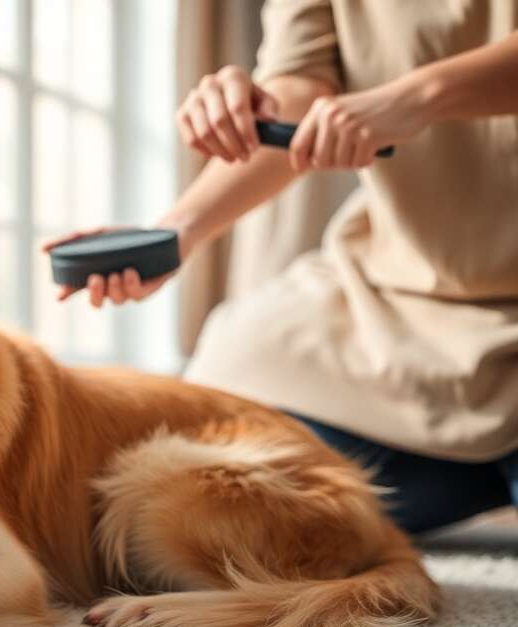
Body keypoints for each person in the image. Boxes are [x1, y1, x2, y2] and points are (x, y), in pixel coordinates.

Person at [43, 0, 518, 534]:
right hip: (391, 301)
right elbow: (299, 91)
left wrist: (418, 95)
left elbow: (406, 96)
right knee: (204, 449)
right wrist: (176, 233)